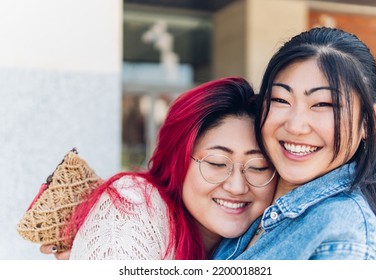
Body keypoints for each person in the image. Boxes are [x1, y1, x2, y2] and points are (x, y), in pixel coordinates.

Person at [41, 76, 277, 260]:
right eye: (216, 163)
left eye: (258, 167)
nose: (237, 186)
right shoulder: (132, 202)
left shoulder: (274, 233)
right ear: (178, 161)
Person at [213, 27, 376, 260]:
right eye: (280, 100)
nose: (296, 126)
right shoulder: (248, 204)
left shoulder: (346, 243)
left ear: (369, 121)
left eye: (323, 104)